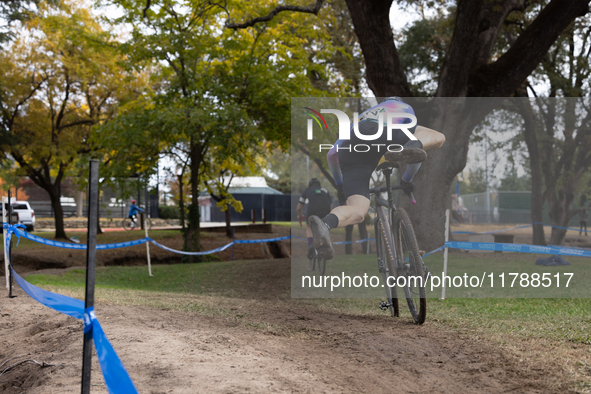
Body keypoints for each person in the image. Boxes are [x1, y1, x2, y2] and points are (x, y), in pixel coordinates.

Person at [308, 97, 446, 260]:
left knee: (358, 211)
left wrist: (340, 187)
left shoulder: (360, 118)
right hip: (385, 134)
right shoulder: (402, 107)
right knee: (437, 137)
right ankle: (408, 147)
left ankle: (326, 224)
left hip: (352, 150)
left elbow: (331, 154)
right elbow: (415, 157)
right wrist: (407, 179)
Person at [297, 178, 333, 259]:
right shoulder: (325, 190)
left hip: (312, 209)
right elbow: (330, 206)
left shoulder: (307, 190)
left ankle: (310, 245)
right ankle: (324, 242)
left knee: (309, 226)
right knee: (324, 226)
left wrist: (299, 215)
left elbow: (299, 208)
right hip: (325, 209)